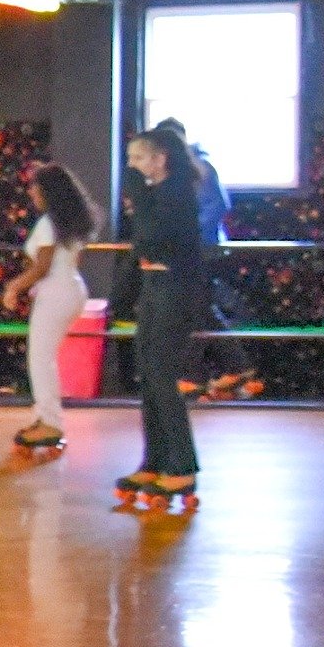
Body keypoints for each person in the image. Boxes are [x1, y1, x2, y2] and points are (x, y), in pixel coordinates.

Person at [115, 126, 206, 510]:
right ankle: (155, 460)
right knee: (147, 373)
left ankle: (181, 465)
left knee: (161, 374)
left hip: (175, 288)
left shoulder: (177, 194)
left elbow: (151, 239)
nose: (131, 167)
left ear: (159, 159)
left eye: (137, 158)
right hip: (156, 286)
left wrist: (137, 197)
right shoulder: (158, 194)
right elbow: (143, 244)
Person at [157, 117, 258, 399]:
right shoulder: (187, 169)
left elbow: (217, 206)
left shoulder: (196, 168)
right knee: (198, 308)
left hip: (200, 250)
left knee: (195, 308)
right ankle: (230, 367)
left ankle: (199, 373)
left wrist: (189, 236)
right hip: (195, 249)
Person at [1, 164, 98, 454]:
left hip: (56, 293)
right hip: (71, 289)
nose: (30, 192)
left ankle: (51, 422)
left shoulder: (48, 224)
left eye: (35, 187)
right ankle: (45, 417)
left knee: (40, 359)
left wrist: (14, 287)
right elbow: (71, 262)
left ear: (48, 191)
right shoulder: (69, 223)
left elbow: (42, 266)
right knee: (44, 357)